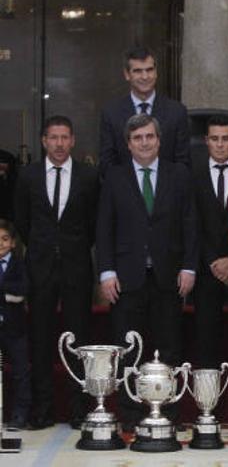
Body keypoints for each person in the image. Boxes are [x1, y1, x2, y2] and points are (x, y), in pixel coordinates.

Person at [96, 114, 198, 429]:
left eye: (150, 136)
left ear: (159, 139)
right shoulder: (115, 176)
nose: (144, 142)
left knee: (168, 347)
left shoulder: (178, 174)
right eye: (138, 138)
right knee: (128, 349)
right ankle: (129, 414)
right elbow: (104, 228)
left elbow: (190, 223)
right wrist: (106, 272)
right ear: (128, 144)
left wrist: (189, 266)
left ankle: (167, 413)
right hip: (126, 278)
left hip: (169, 275)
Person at [13, 115, 99, 430]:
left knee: (79, 340)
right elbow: (22, 220)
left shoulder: (89, 176)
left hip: (77, 267)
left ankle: (79, 408)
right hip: (40, 268)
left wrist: (72, 247)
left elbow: (93, 224)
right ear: (43, 141)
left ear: (73, 140)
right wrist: (43, 248)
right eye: (53, 137)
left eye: (65, 137)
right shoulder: (28, 175)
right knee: (41, 338)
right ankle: (42, 409)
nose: (60, 143)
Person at [191, 114, 228, 428]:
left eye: (226, 139)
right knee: (206, 343)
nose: (220, 144)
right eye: (214, 139)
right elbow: (191, 225)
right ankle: (207, 410)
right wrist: (214, 262)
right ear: (206, 141)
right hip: (206, 273)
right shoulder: (194, 173)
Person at [99, 46, 189, 176]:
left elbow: (182, 162)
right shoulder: (111, 113)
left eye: (149, 70)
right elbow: (107, 163)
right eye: (138, 71)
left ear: (156, 72)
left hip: (167, 192)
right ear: (127, 74)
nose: (145, 76)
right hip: (125, 192)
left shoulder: (176, 112)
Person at [0, 220, 31, 430]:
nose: (0, 243)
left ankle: (20, 415)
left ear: (12, 243)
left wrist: (4, 290)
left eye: (4, 239)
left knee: (20, 372)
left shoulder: (19, 263)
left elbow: (22, 289)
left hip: (14, 328)